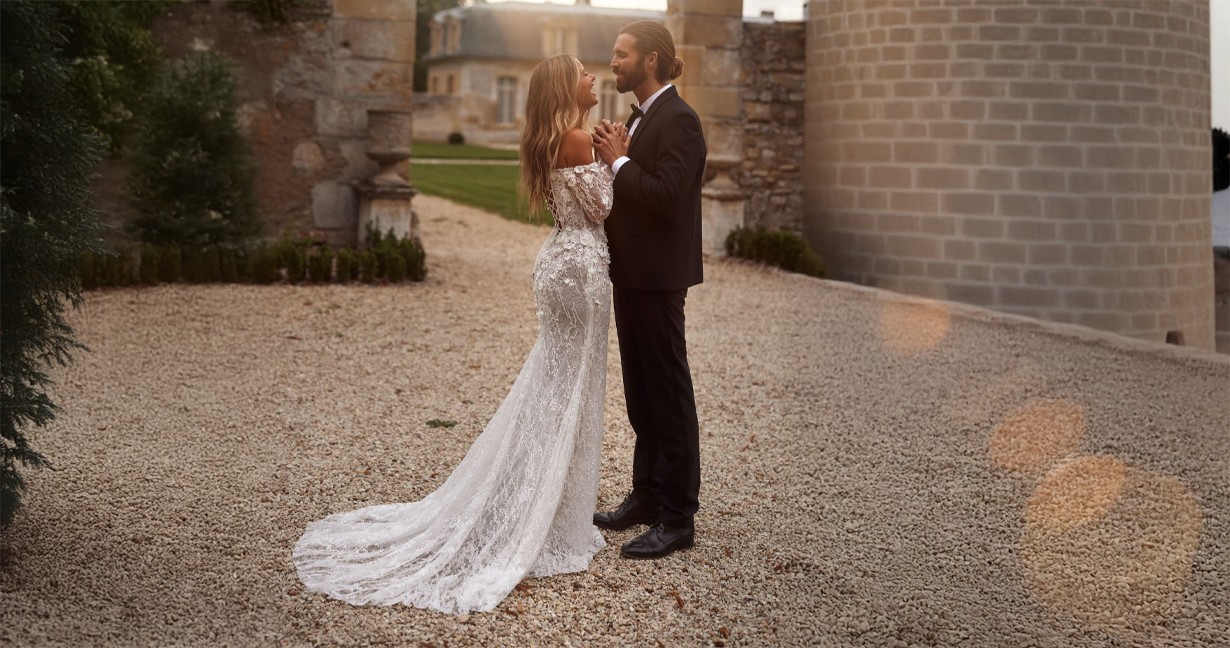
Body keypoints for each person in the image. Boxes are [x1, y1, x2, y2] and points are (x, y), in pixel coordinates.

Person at [292, 54, 616, 615]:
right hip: (581, 267)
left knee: (553, 384)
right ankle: (544, 512)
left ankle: (533, 495)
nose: (593, 78)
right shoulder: (578, 137)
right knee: (569, 390)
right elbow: (603, 207)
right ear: (567, 86)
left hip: (559, 263)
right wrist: (620, 159)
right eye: (584, 72)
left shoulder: (551, 136)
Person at [590, 21, 706, 560]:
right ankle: (646, 495)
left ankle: (679, 518)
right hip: (630, 273)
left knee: (669, 395)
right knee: (640, 393)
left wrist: (618, 161)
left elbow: (666, 196)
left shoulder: (680, 119)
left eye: (622, 54)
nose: (613, 62)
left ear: (652, 60)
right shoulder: (640, 118)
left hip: (659, 278)